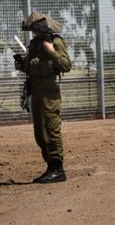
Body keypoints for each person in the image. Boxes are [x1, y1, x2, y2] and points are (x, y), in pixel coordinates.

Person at [15, 12, 71, 184]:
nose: (35, 34)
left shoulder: (55, 42)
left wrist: (52, 51)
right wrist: (22, 65)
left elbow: (66, 65)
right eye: (33, 31)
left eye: (37, 30)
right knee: (40, 133)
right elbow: (33, 66)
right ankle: (50, 167)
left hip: (49, 93)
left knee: (51, 129)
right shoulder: (34, 44)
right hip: (37, 92)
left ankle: (57, 168)